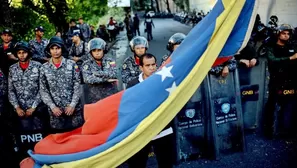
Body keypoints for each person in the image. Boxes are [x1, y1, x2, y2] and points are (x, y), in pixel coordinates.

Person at [127, 53, 174, 168]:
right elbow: (130, 108)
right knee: (137, 163)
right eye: (147, 65)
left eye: (153, 64)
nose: (152, 68)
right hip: (142, 131)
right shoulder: (132, 84)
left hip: (163, 129)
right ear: (141, 67)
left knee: (166, 163)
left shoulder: (164, 81)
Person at [8, 41, 48, 159]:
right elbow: (11, 91)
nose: (21, 55)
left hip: (38, 110)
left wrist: (34, 107)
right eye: (19, 53)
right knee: (24, 141)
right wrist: (17, 107)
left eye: (24, 52)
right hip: (20, 112)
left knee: (40, 139)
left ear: (28, 53)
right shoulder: (12, 69)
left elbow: (43, 88)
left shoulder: (38, 66)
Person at [39, 36, 84, 133]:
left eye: (58, 48)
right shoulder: (44, 68)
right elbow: (43, 90)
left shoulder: (71, 64)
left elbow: (77, 86)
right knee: (60, 140)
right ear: (49, 50)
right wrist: (52, 106)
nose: (55, 51)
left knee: (78, 139)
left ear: (62, 49)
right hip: (56, 113)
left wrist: (72, 105)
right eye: (52, 48)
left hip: (74, 111)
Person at [263, 24, 297, 138]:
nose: (286, 36)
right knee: (272, 105)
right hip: (276, 80)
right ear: (278, 34)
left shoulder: (292, 46)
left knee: (290, 105)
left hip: (291, 80)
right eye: (284, 33)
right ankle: (269, 131)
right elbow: (272, 61)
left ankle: (288, 131)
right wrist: (290, 58)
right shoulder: (271, 46)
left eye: (288, 34)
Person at [82, 38, 118, 104]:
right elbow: (87, 79)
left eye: (99, 50)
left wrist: (96, 74)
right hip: (96, 99)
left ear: (103, 50)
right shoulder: (86, 64)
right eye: (94, 51)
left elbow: (114, 74)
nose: (97, 53)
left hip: (111, 96)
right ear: (91, 52)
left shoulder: (110, 61)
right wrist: (106, 80)